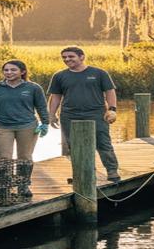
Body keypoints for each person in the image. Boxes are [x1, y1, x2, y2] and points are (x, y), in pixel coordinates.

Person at [47, 46, 120, 183]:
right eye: (64, 57)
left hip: (97, 114)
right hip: (69, 116)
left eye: (71, 56)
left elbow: (110, 92)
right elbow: (55, 96)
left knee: (103, 143)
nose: (67, 59)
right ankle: (84, 173)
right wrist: (51, 114)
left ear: (82, 57)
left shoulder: (99, 73)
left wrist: (112, 109)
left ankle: (112, 171)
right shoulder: (59, 76)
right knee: (75, 146)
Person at [0, 59, 49, 161]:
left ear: (22, 72)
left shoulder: (33, 88)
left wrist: (45, 123)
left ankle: (24, 177)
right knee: (3, 158)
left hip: (27, 126)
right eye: (6, 70)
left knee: (24, 157)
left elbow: (41, 107)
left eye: (13, 70)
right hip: (2, 127)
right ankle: (3, 177)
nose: (9, 73)